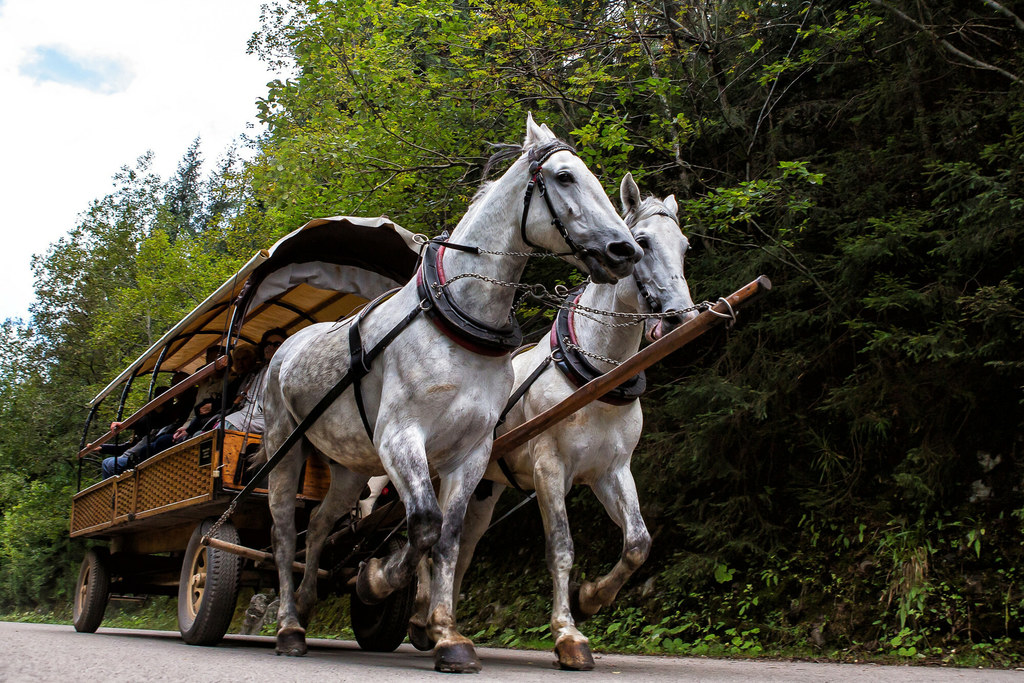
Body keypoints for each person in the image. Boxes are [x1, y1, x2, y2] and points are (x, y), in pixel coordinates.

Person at [222, 328, 288, 435]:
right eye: (267, 344)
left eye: (276, 344)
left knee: (227, 426)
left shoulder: (285, 369)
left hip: (269, 417)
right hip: (248, 413)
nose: (270, 347)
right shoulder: (260, 371)